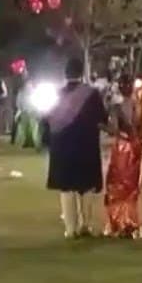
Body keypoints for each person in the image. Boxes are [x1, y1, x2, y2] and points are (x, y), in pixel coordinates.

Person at [47, 57, 108, 239]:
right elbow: (102, 120)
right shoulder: (92, 94)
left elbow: (48, 120)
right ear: (82, 73)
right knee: (86, 186)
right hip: (86, 145)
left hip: (62, 146)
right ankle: (86, 225)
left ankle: (70, 228)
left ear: (65, 74)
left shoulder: (56, 94)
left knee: (66, 187)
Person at [103, 73, 142, 238]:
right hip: (136, 149)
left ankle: (118, 223)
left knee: (116, 187)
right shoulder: (141, 106)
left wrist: (101, 125)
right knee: (132, 188)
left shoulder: (117, 107)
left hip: (122, 149)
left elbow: (113, 128)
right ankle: (131, 222)